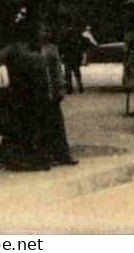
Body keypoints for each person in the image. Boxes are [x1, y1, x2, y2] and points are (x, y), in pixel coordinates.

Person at [0, 17, 51, 171]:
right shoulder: (32, 51)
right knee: (30, 128)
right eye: (40, 32)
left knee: (21, 128)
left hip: (21, 95)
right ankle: (33, 160)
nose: (43, 34)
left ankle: (21, 160)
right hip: (31, 96)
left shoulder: (14, 49)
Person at [38, 24, 78, 165]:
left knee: (56, 124)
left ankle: (61, 154)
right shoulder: (37, 48)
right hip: (42, 91)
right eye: (43, 30)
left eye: (47, 30)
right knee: (47, 124)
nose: (45, 33)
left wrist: (61, 88)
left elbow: (57, 71)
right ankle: (52, 154)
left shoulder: (51, 49)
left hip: (52, 92)